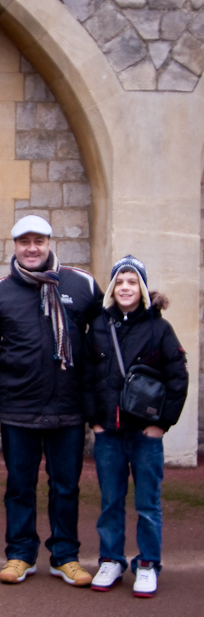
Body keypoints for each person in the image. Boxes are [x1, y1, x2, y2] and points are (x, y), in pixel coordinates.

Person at [0, 215, 103, 586]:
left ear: (49, 243)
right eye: (24, 241)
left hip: (69, 406)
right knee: (19, 485)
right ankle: (20, 554)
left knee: (66, 486)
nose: (32, 248)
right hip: (19, 407)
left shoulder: (83, 285)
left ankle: (65, 556)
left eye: (39, 241)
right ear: (14, 246)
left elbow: (107, 337)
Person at [83, 255, 188, 597]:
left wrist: (162, 425)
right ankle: (111, 559)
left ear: (141, 288)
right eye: (119, 282)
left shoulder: (160, 328)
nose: (125, 288)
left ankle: (147, 564)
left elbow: (177, 379)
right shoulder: (99, 325)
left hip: (145, 435)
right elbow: (86, 377)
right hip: (109, 434)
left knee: (147, 503)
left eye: (132, 282)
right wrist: (94, 421)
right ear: (112, 289)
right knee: (111, 500)